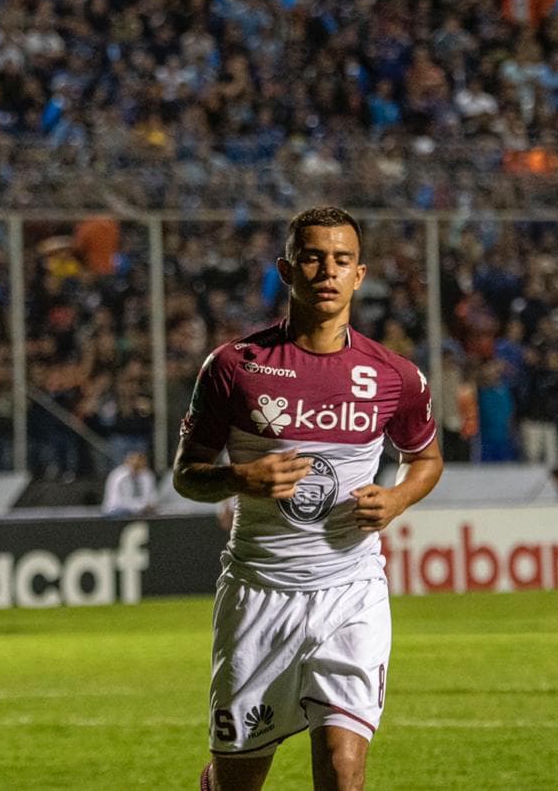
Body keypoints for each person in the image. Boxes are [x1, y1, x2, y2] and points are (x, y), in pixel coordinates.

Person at [173, 207, 443, 791]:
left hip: (351, 591)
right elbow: (186, 475)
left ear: (359, 275)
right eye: (313, 258)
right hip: (259, 595)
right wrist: (241, 478)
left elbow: (426, 459)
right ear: (287, 270)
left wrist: (397, 500)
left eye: (342, 260)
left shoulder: (394, 375)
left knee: (344, 771)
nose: (327, 272)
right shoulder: (234, 367)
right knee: (239, 782)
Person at [101, 450, 157, 518]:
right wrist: (142, 506)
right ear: (127, 461)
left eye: (141, 460)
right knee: (125, 512)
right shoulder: (119, 476)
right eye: (134, 460)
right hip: (116, 509)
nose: (137, 462)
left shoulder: (147, 475)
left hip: (139, 510)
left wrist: (150, 504)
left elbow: (152, 496)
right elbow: (121, 502)